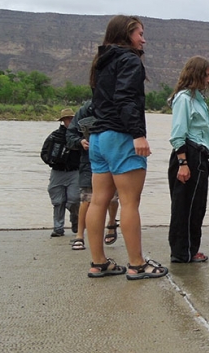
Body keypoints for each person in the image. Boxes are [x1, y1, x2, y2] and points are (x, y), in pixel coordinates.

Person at [85, 15, 168, 280]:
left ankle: (98, 262)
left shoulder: (101, 61)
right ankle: (137, 264)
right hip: (120, 136)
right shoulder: (130, 60)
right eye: (139, 33)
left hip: (98, 137)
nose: (143, 39)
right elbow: (126, 98)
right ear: (126, 34)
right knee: (130, 202)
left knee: (98, 201)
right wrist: (138, 134)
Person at [167, 56, 209, 263]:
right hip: (189, 154)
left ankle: (190, 248)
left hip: (200, 156)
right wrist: (183, 163)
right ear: (197, 74)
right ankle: (182, 252)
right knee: (184, 206)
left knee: (197, 206)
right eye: (207, 75)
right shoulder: (184, 99)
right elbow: (179, 132)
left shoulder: (197, 99)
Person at [66, 100, 120, 251]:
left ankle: (111, 224)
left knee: (113, 197)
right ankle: (80, 235)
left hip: (113, 157)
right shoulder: (86, 109)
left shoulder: (119, 104)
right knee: (86, 199)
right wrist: (80, 141)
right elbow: (70, 135)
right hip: (88, 160)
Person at [41, 108, 81, 238]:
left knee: (74, 200)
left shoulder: (79, 136)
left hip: (75, 172)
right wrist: (51, 161)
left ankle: (76, 220)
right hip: (57, 172)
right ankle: (58, 228)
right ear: (63, 121)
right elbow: (44, 153)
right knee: (58, 201)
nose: (69, 121)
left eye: (71, 118)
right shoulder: (54, 136)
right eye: (67, 119)